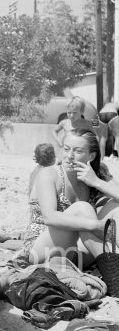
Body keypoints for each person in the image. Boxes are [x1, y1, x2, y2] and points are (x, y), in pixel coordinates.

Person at [24, 129, 119, 265]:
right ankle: (112, 269)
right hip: (42, 247)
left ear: (91, 156)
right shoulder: (49, 174)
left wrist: (96, 182)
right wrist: (97, 225)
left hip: (77, 250)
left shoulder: (98, 172)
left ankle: (112, 264)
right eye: (66, 149)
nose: (69, 156)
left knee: (115, 206)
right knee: (82, 209)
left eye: (78, 151)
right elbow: (49, 217)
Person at [52, 96, 95, 163]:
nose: (71, 115)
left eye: (75, 113)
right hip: (66, 151)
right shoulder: (65, 123)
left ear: (82, 111)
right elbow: (54, 131)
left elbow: (94, 136)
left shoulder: (87, 124)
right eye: (69, 112)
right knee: (60, 165)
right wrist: (59, 142)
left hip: (79, 153)